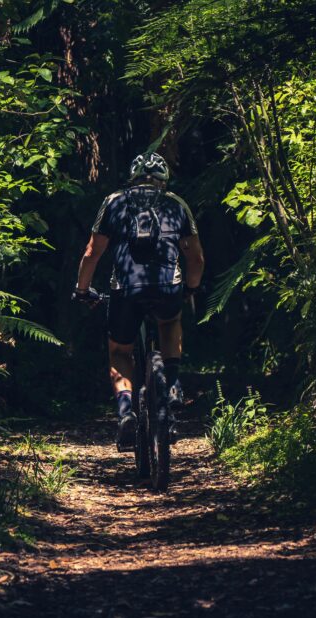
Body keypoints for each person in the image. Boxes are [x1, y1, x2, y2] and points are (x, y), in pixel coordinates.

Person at [71, 152, 205, 449]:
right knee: (170, 322)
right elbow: (195, 257)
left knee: (120, 350)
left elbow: (92, 253)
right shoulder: (176, 204)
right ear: (163, 179)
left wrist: (82, 290)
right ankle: (170, 385)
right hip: (168, 287)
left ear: (132, 177)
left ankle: (126, 415)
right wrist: (191, 288)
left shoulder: (115, 202)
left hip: (125, 289)